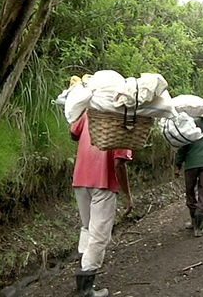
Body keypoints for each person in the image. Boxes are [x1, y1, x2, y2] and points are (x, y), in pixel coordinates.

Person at [70, 112, 133, 297]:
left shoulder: (89, 112)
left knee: (87, 228)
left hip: (80, 178)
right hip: (103, 183)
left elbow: (73, 133)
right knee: (99, 236)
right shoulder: (125, 123)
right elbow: (119, 164)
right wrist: (128, 196)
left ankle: (83, 262)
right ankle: (86, 287)